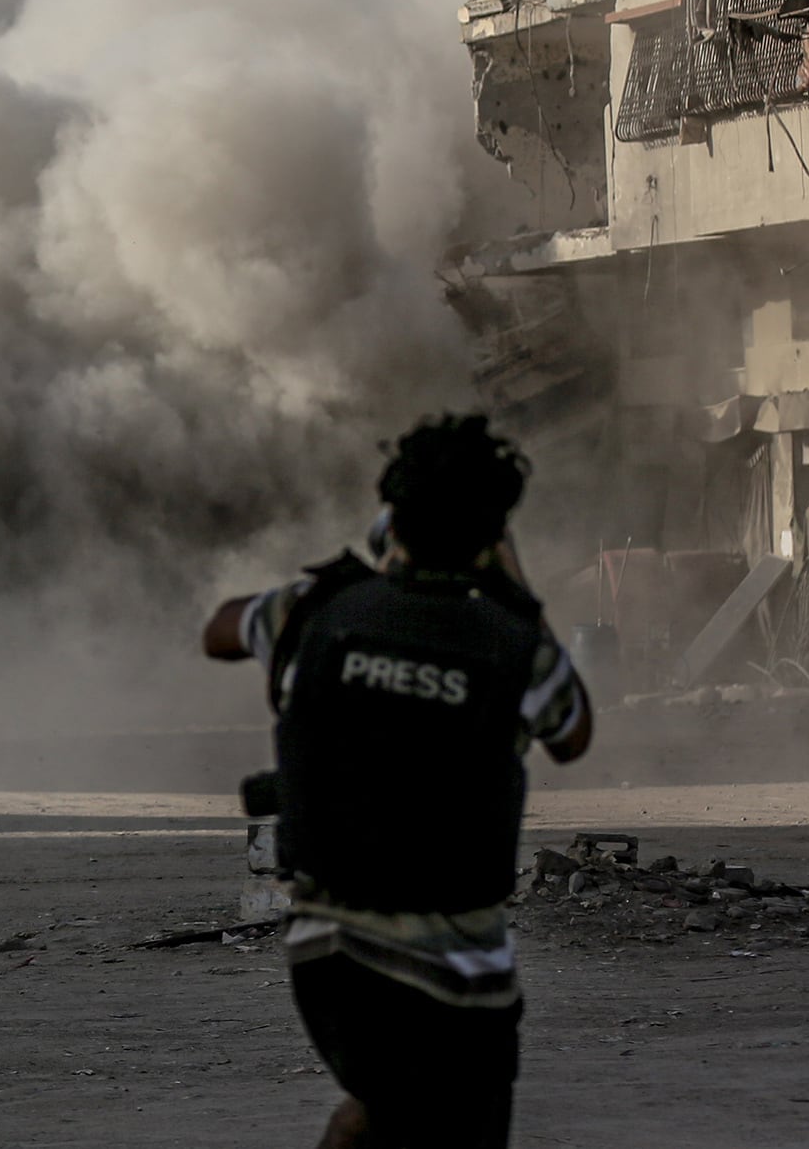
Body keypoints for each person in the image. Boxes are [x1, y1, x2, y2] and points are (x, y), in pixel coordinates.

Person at [202, 413, 591, 1149]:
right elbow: (571, 734)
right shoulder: (513, 647)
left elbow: (218, 629)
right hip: (458, 982)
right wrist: (517, 592)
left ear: (390, 515)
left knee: (380, 1104)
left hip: (329, 965)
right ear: (490, 536)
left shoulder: (313, 612)